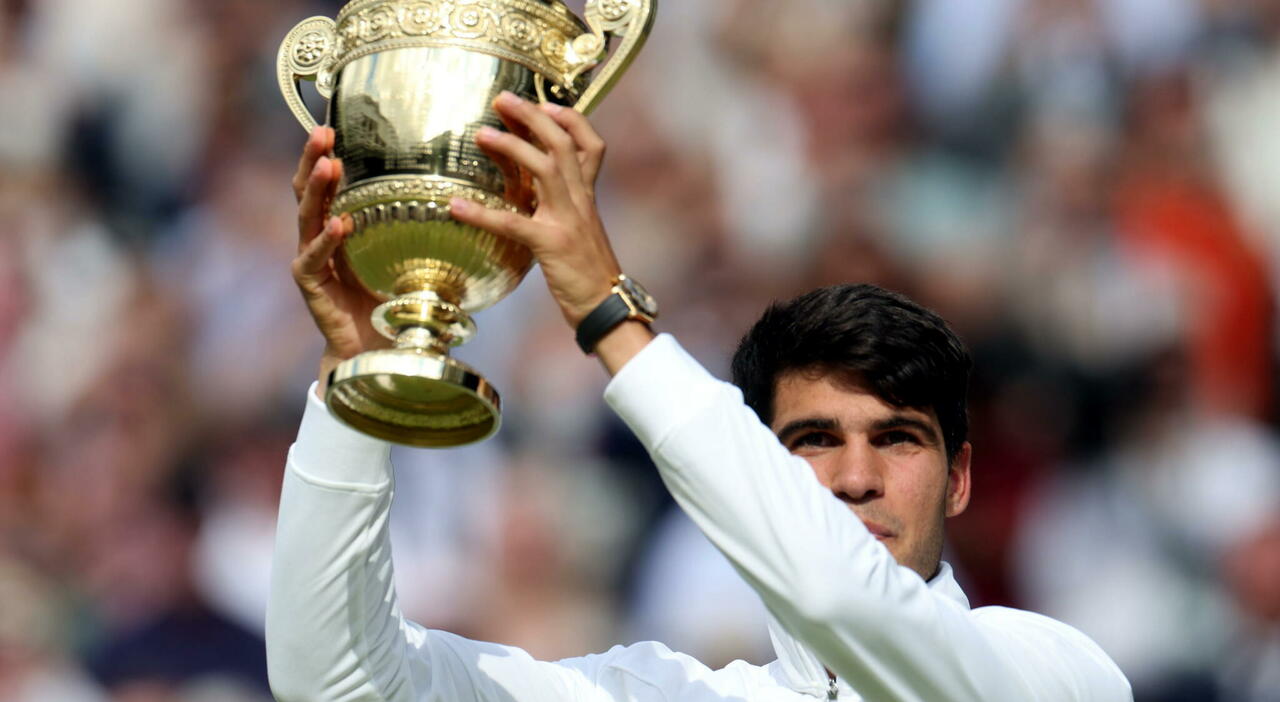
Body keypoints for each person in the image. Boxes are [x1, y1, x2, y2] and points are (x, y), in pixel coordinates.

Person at [267, 91, 1132, 701]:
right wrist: (358, 382)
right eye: (816, 440)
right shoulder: (667, 691)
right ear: (757, 459)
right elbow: (334, 682)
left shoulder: (1053, 670)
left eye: (900, 438)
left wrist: (611, 314)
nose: (858, 476)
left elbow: (837, 596)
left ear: (960, 478)